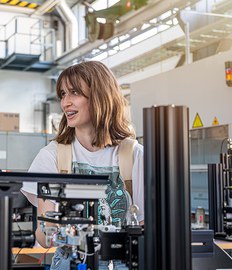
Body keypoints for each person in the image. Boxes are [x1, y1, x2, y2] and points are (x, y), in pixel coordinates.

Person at [21, 61, 144, 269]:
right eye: (62, 94)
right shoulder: (52, 156)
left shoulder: (132, 154)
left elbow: (144, 224)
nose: (65, 102)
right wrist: (57, 230)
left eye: (74, 93)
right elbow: (44, 237)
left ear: (100, 96)